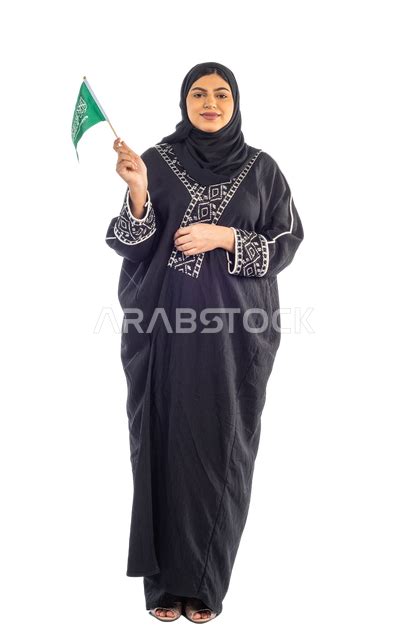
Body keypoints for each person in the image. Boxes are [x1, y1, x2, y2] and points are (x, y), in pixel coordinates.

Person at [105, 61, 304, 623]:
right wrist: (140, 193)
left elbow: (287, 241)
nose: (210, 102)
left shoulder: (263, 170)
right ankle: (163, 590)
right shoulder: (158, 162)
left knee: (222, 451)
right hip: (164, 332)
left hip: (234, 339)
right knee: (161, 445)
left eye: (221, 94)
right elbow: (132, 244)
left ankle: (206, 587)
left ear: (235, 102)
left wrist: (225, 236)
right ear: (184, 102)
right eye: (198, 93)